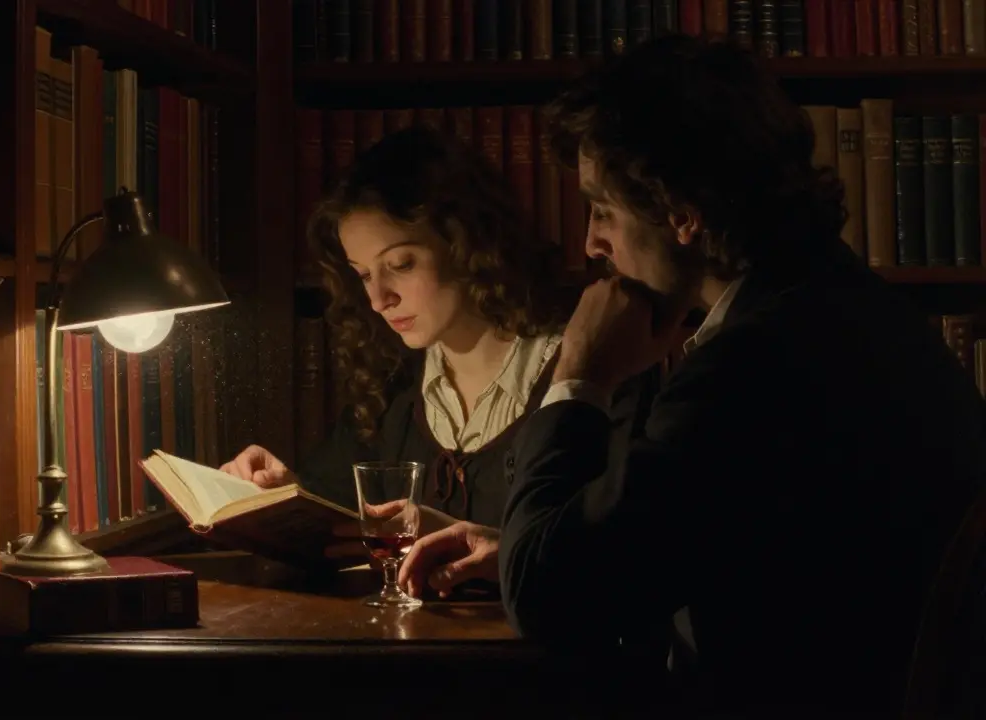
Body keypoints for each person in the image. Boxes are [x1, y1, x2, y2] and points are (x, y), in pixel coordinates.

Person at [403, 34, 986, 716]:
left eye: (603, 210)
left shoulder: (756, 366)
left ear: (680, 211)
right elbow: (688, 545)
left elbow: (548, 600)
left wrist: (579, 376)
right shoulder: (842, 312)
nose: (593, 243)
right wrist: (519, 551)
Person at [218, 124, 660, 591]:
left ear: (465, 242)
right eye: (363, 274)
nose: (378, 299)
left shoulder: (591, 368)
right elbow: (338, 519)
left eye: (401, 264)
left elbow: (624, 552)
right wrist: (284, 494)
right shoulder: (393, 389)